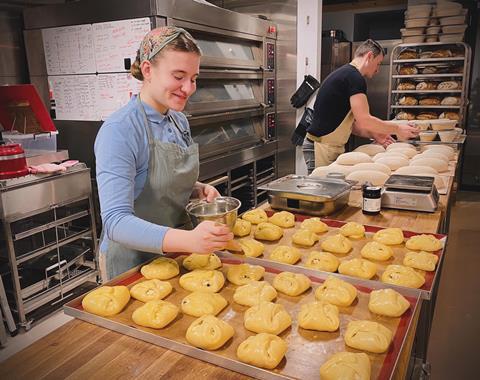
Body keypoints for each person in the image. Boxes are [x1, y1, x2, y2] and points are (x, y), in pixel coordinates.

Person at [94, 27, 233, 281]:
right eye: (179, 76)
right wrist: (189, 239)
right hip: (131, 263)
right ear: (148, 70)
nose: (189, 88)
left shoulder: (178, 121)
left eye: (193, 78)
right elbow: (115, 222)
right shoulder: (120, 130)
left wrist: (196, 189)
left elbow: (155, 182)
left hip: (175, 254)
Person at [302, 39, 419, 173]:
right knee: (321, 190)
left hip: (324, 146)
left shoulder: (346, 75)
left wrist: (375, 134)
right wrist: (397, 128)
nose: (377, 70)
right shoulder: (354, 77)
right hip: (321, 147)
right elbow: (365, 120)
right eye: (378, 64)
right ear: (369, 56)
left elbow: (350, 125)